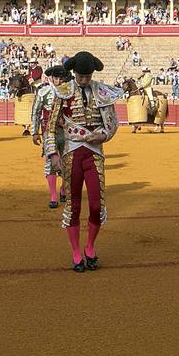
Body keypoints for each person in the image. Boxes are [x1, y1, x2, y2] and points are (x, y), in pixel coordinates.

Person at [44, 51, 121, 273]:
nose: (84, 80)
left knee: (97, 205)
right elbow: (51, 126)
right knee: (73, 204)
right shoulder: (63, 91)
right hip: (72, 152)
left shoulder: (102, 91)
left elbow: (112, 123)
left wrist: (104, 135)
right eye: (80, 76)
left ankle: (90, 246)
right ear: (74, 73)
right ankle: (77, 252)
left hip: (94, 152)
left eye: (87, 76)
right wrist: (52, 154)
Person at [32, 64, 69, 209]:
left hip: (67, 130)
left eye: (61, 77)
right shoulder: (43, 91)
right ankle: (53, 196)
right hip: (49, 131)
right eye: (57, 77)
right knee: (50, 162)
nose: (59, 80)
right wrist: (35, 132)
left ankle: (64, 189)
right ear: (51, 78)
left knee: (68, 161)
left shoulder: (70, 92)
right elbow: (36, 112)